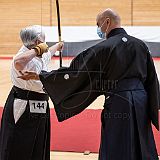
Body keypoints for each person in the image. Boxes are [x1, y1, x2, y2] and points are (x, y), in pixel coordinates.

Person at [18, 9, 160, 160]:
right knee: (142, 142)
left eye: (98, 24)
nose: (98, 29)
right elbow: (152, 80)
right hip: (141, 102)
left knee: (117, 142)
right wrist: (153, 108)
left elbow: (75, 73)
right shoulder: (140, 45)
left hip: (119, 101)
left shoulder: (103, 48)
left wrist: (41, 76)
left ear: (107, 22)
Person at [0, 25, 63, 160]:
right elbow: (18, 61)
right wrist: (37, 50)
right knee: (21, 140)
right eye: (42, 40)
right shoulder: (22, 57)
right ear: (35, 43)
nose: (45, 43)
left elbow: (47, 54)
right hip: (23, 105)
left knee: (39, 139)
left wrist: (57, 46)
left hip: (40, 103)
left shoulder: (40, 53)